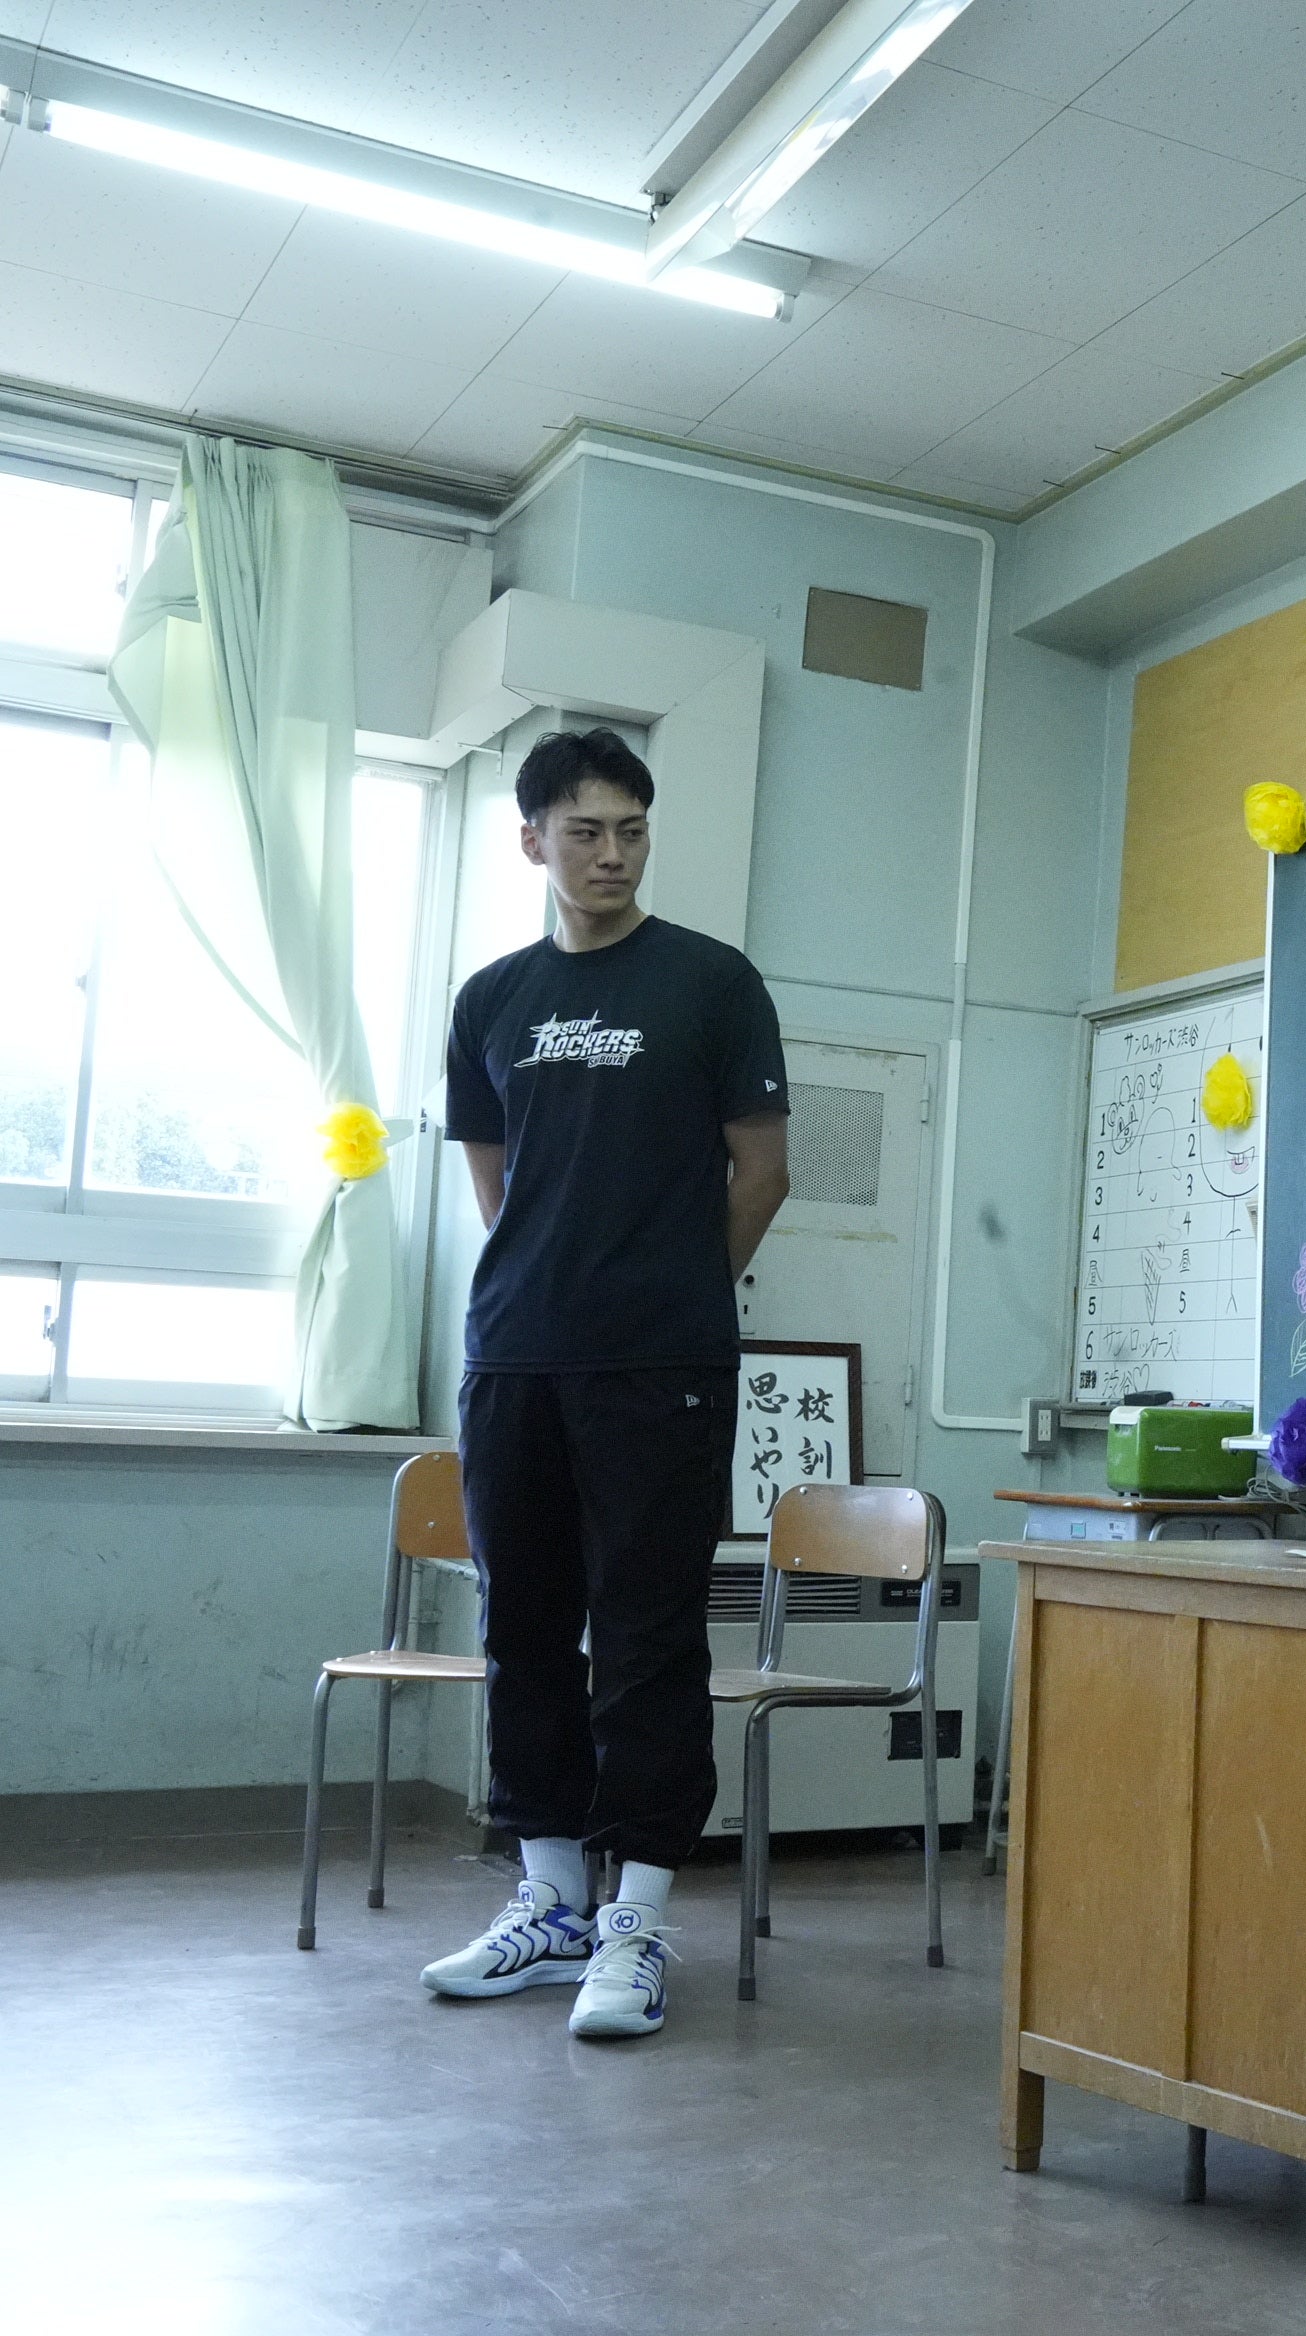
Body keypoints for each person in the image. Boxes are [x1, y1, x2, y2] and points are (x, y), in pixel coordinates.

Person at [421, 728, 791, 2040]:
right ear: (533, 839)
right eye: (585, 831)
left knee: (646, 1636)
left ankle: (636, 1919)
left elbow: (764, 1170)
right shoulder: (490, 1000)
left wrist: (674, 1292)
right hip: (515, 1357)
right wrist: (555, 1283)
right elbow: (497, 1186)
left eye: (632, 830)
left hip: (661, 1368)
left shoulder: (712, 982)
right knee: (521, 1628)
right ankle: (550, 1900)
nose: (613, 854)